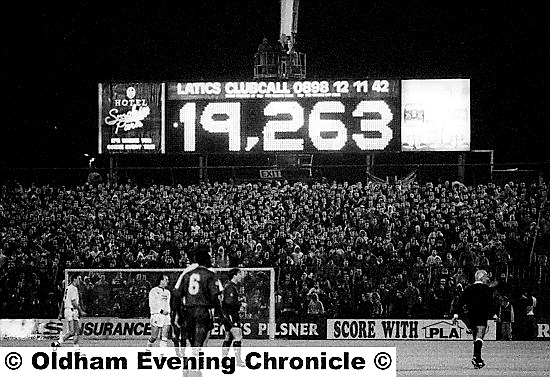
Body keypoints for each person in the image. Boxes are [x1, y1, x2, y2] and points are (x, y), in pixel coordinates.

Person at [173, 246, 222, 348]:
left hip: (188, 309)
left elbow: (176, 293)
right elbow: (216, 295)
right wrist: (221, 314)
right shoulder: (210, 273)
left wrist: (178, 313)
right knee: (201, 340)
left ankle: (190, 356)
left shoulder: (187, 272)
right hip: (203, 309)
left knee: (192, 341)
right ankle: (200, 355)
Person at [452, 270, 498, 369]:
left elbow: (460, 302)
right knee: (480, 335)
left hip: (470, 315)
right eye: (486, 277)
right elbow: (490, 303)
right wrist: (494, 314)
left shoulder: (469, 288)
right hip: (481, 315)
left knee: (475, 337)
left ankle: (477, 359)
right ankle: (477, 357)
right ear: (482, 278)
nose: (487, 279)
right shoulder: (487, 289)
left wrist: (456, 315)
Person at [52, 273, 86, 347]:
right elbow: (73, 302)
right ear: (74, 279)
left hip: (71, 310)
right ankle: (57, 342)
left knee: (77, 330)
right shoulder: (73, 288)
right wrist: (81, 311)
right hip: (71, 311)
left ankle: (76, 346)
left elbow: (63, 301)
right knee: (72, 331)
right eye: (78, 279)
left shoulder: (68, 288)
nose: (79, 281)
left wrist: (60, 313)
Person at [220, 268, 245, 366]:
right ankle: (238, 361)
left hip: (227, 315)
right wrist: (240, 304)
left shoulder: (230, 286)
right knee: (238, 336)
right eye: (240, 274)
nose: (241, 276)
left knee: (228, 338)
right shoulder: (230, 287)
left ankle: (223, 359)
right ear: (234, 275)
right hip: (231, 315)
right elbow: (229, 302)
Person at [147, 274, 171, 347]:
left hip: (166, 316)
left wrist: (168, 312)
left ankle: (162, 356)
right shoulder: (154, 291)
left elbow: (168, 304)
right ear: (161, 281)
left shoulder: (168, 292)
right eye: (166, 279)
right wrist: (161, 311)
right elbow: (152, 304)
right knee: (154, 337)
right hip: (156, 315)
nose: (168, 281)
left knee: (164, 336)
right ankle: (148, 349)